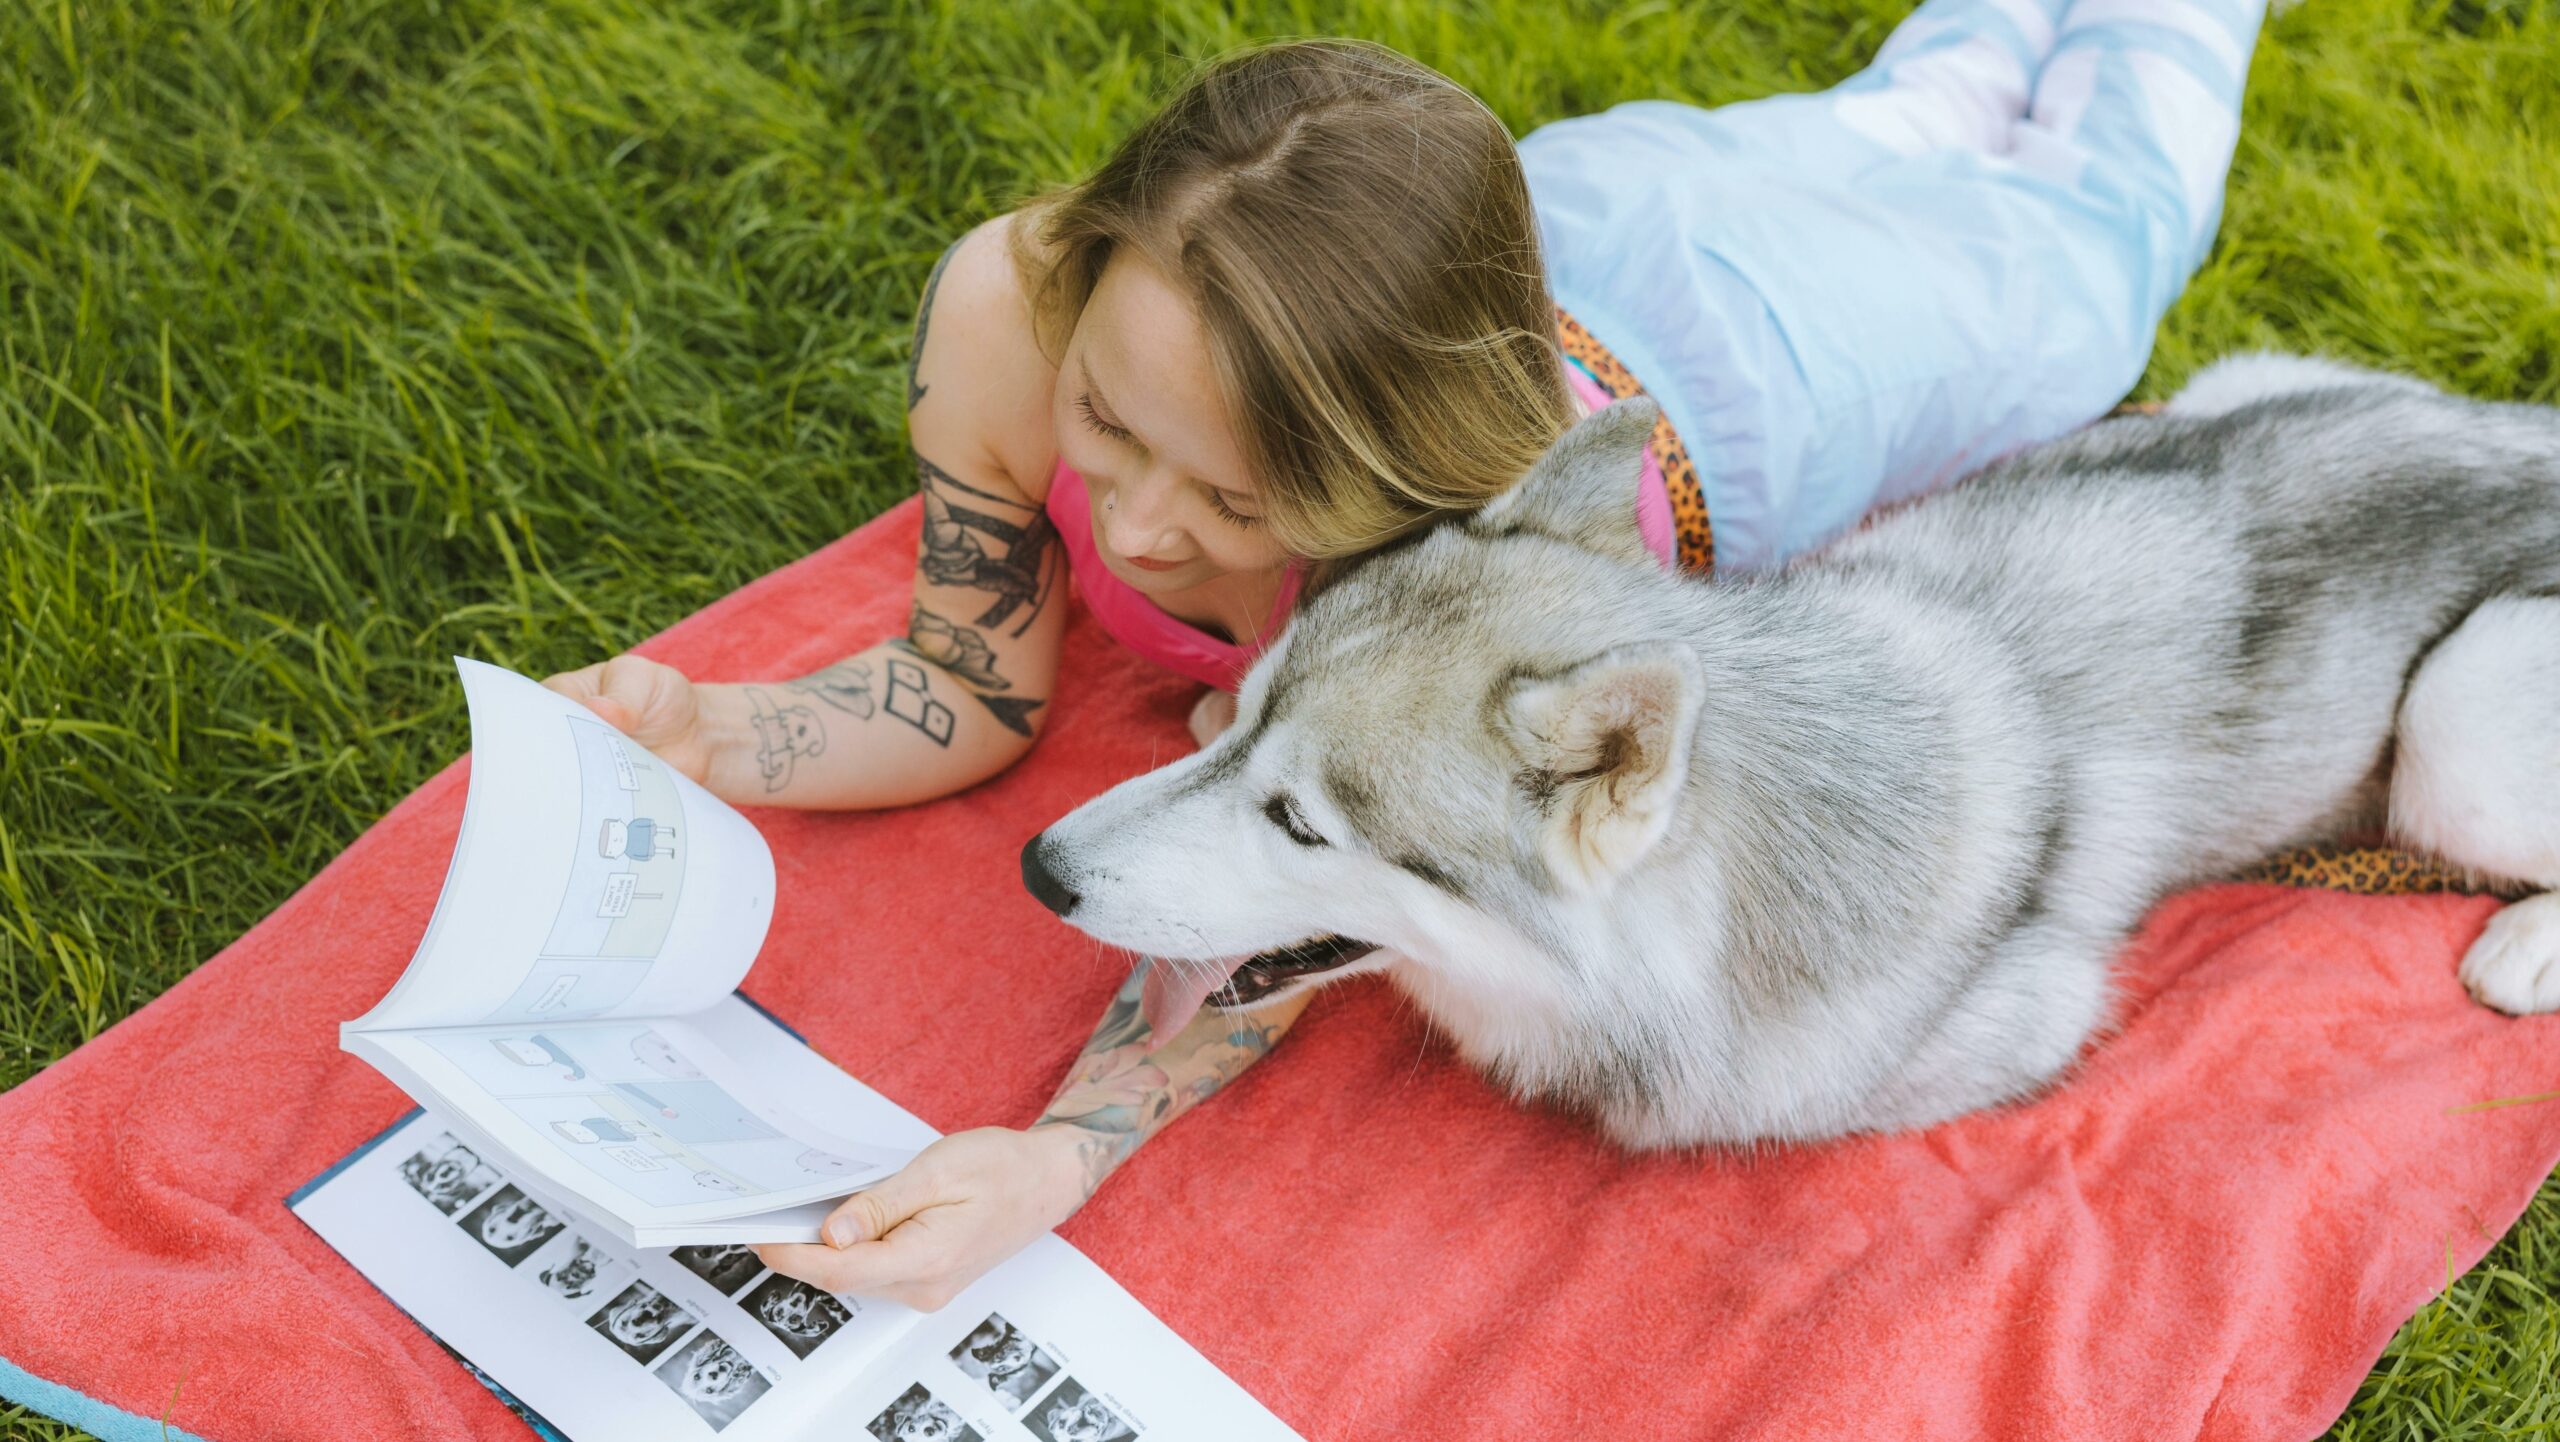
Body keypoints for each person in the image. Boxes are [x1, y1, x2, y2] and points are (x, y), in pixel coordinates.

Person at [543, 0, 2266, 1308]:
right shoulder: (1007, 308)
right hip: (1601, 217)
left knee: (2093, 223)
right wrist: (717, 730)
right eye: (1105, 426)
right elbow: (969, 681)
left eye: (1236, 493)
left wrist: (1054, 1160)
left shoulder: (1440, 604)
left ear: (1386, 486)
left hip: (1784, 370)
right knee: (1913, 113)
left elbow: (1326, 896)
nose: (1133, 530)